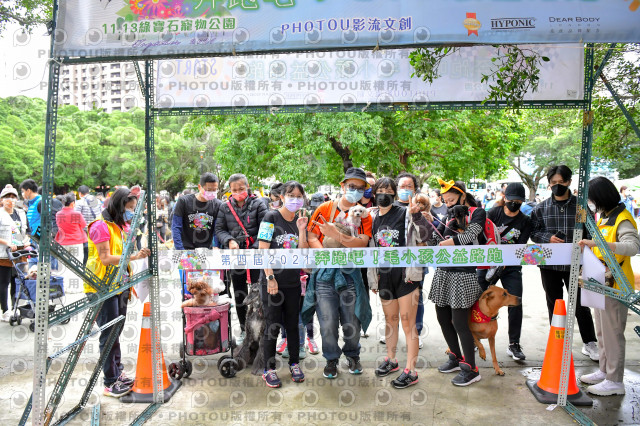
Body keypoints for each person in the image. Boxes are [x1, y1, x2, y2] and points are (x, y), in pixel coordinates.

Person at [302, 167, 372, 379]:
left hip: (351, 274)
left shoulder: (364, 215)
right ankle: (331, 359)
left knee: (352, 320)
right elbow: (311, 236)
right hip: (324, 276)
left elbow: (362, 243)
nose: (355, 191)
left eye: (360, 188)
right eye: (351, 186)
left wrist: (336, 235)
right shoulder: (324, 208)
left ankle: (353, 355)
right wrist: (326, 255)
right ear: (342, 186)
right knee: (328, 321)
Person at [85, 186, 150, 397]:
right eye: (129, 209)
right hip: (101, 287)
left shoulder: (118, 226)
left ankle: (117, 372)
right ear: (118, 206)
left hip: (119, 286)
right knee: (109, 334)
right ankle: (110, 381)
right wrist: (134, 257)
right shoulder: (100, 226)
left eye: (133, 209)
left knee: (116, 331)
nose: (131, 213)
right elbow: (105, 259)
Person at [578, 177, 640, 396]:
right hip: (601, 282)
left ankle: (615, 381)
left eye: (592, 199)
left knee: (613, 334)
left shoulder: (623, 219)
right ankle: (605, 371)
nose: (591, 203)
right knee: (603, 332)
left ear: (601, 197)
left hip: (617, 286)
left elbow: (632, 247)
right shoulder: (605, 217)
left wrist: (597, 243)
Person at [531, 165, 599, 361]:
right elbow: (534, 232)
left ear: (569, 182)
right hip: (549, 265)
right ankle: (558, 342)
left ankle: (590, 342)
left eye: (561, 182)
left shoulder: (581, 207)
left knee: (580, 304)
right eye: (553, 183)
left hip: (575, 264)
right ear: (549, 184)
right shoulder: (541, 208)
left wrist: (586, 244)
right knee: (554, 303)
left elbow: (592, 231)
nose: (557, 186)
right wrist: (547, 238)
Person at [369, 177, 430, 389]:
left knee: (408, 323)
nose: (384, 194)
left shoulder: (405, 213)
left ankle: (411, 371)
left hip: (406, 276)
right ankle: (392, 360)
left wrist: (417, 216)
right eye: (380, 190)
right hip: (384, 276)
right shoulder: (372, 216)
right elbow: (370, 248)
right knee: (390, 321)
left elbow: (426, 236)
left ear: (394, 194)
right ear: (374, 194)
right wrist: (374, 277)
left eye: (389, 191)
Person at [428, 179, 484, 386]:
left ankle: (471, 368)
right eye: (446, 201)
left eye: (451, 200)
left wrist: (446, 243)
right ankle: (455, 357)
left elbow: (470, 236)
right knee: (442, 317)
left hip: (463, 274)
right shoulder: (447, 215)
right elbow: (436, 241)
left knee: (460, 322)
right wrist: (428, 223)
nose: (448, 204)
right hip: (443, 272)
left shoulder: (477, 213)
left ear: (462, 196)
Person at [258, 181, 309, 387]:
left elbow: (303, 253)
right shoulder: (270, 217)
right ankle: (268, 369)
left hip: (293, 282)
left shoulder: (300, 219)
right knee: (272, 325)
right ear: (281, 197)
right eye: (291, 195)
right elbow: (263, 250)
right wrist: (270, 278)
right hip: (272, 282)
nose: (295, 199)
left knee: (293, 325)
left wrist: (302, 230)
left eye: (299, 196)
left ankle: (294, 363)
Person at [477, 183, 532, 361]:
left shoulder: (525, 221)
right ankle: (474, 337)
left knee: (515, 302)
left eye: (518, 201)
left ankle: (514, 343)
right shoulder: (494, 213)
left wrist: (506, 263)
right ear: (504, 198)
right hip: (489, 264)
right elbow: (483, 236)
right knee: (478, 298)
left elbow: (521, 246)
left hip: (511, 267)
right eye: (511, 199)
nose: (514, 203)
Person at [215, 173, 267, 345]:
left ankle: (261, 330)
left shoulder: (259, 204)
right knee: (239, 293)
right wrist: (229, 240)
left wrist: (255, 248)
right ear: (230, 190)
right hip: (235, 256)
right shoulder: (225, 207)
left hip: (255, 255)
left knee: (258, 292)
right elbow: (220, 229)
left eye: (241, 189)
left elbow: (266, 228)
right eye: (234, 190)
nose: (238, 192)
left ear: (248, 186)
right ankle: (245, 330)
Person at [0, 185, 29, 321]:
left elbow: (23, 231)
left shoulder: (21, 213)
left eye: (13, 197)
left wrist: (25, 241)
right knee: (4, 282)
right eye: (7, 197)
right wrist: (7, 243)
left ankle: (14, 307)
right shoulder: (1, 214)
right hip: (3, 254)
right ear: (1, 200)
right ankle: (5, 310)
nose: (10, 200)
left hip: (19, 253)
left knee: (16, 281)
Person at [171, 173, 221, 251]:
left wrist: (216, 246)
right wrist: (180, 250)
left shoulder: (217, 204)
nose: (212, 193)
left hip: (207, 250)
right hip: (186, 249)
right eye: (208, 190)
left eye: (214, 190)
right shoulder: (184, 201)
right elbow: (176, 227)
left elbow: (217, 229)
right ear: (199, 187)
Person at [55, 193, 87, 264]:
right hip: (76, 242)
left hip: (62, 243)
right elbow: (83, 225)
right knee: (77, 265)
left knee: (63, 266)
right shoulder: (77, 214)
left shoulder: (58, 214)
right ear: (72, 203)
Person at [75, 185, 103, 265]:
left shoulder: (79, 202)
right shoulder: (97, 201)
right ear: (88, 191)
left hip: (86, 229)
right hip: (97, 227)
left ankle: (86, 265)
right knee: (96, 247)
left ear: (80, 193)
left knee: (86, 249)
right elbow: (101, 212)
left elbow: (77, 217)